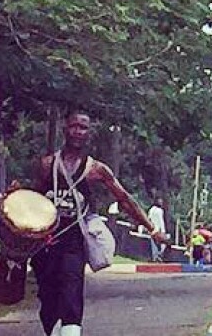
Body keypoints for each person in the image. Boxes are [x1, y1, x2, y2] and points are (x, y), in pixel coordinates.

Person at [30, 110, 168, 336]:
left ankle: (71, 330)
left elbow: (124, 199)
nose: (78, 131)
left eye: (83, 127)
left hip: (75, 238)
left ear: (89, 134)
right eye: (74, 126)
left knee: (72, 287)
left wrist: (152, 230)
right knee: (48, 297)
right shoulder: (47, 165)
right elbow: (32, 199)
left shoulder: (96, 170)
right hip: (46, 241)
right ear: (65, 129)